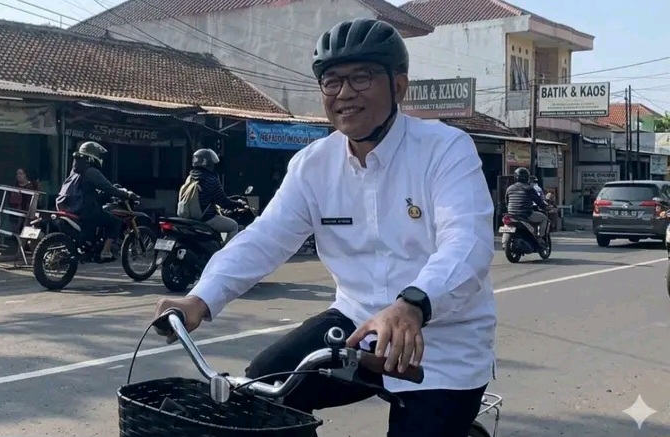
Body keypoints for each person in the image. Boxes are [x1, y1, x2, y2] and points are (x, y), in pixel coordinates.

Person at [154, 18, 496, 437]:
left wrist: (413, 304)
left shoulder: (445, 149)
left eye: (362, 77)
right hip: (355, 327)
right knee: (262, 393)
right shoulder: (313, 164)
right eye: (332, 81)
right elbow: (265, 237)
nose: (345, 93)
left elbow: (467, 242)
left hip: (441, 340)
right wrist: (200, 298)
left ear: (399, 86)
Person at [55, 141, 137, 260]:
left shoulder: (75, 171)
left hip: (70, 208)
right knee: (115, 222)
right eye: (98, 155)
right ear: (92, 156)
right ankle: (106, 251)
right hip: (84, 210)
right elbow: (108, 188)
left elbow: (84, 189)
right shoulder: (91, 172)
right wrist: (126, 194)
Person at [188, 148, 245, 243]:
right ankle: (226, 251)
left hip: (189, 216)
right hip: (205, 218)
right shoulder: (211, 179)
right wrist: (239, 204)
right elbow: (223, 202)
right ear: (208, 162)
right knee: (233, 226)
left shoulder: (191, 177)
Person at [505, 167, 549, 240]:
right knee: (544, 218)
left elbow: (506, 202)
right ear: (527, 178)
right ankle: (540, 238)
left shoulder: (509, 188)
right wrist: (544, 206)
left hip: (511, 215)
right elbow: (539, 201)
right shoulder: (529, 188)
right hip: (526, 215)